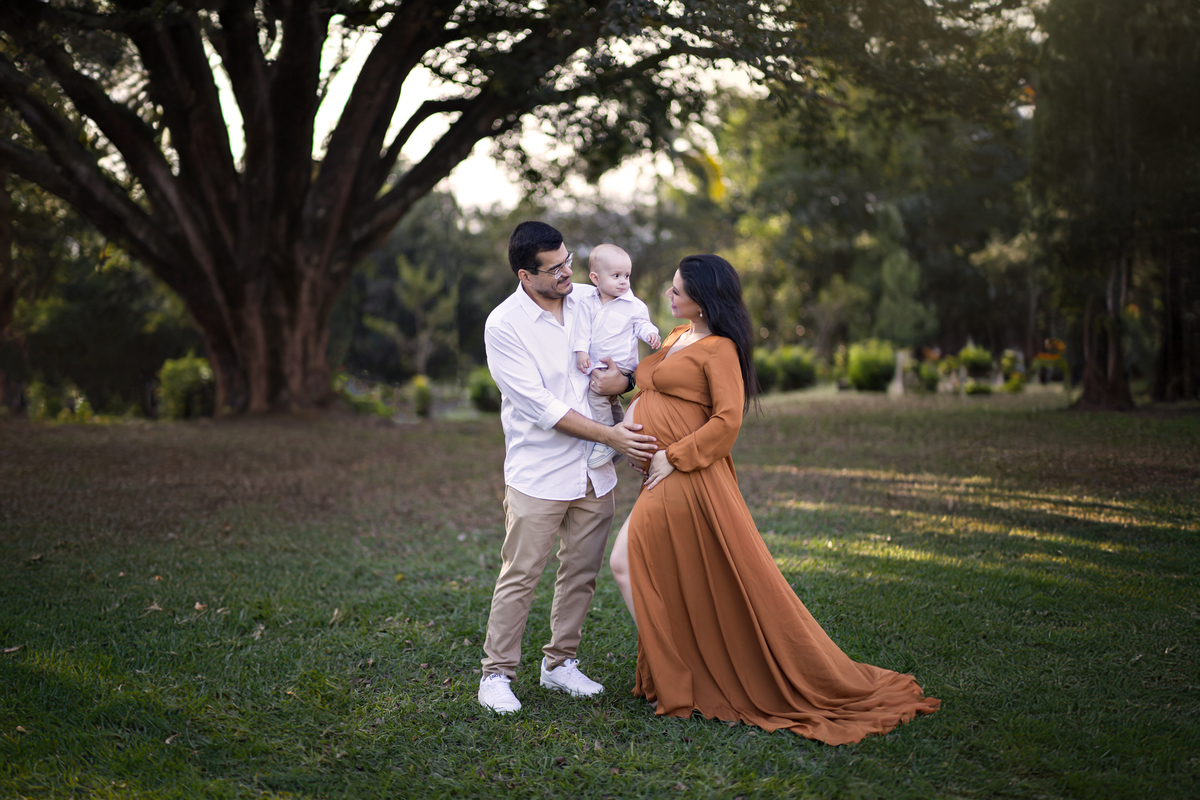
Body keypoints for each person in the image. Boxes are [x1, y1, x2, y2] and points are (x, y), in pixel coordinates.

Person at [608, 254, 940, 745]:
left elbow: (727, 422)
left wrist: (672, 456)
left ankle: (677, 675)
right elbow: (652, 384)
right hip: (663, 472)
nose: (669, 295)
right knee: (677, 573)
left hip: (687, 473)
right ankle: (683, 668)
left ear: (704, 299)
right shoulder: (677, 337)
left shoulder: (720, 349)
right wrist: (625, 391)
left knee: (624, 562)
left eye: (678, 290)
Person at [477, 221, 658, 715]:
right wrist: (610, 435)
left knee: (581, 572)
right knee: (521, 575)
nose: (566, 274)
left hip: (594, 471)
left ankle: (559, 663)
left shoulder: (588, 298)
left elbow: (627, 353)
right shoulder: (504, 325)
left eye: (568, 262)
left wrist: (624, 382)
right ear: (524, 274)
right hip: (540, 471)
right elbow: (540, 406)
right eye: (554, 269)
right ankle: (496, 674)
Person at [573, 244, 662, 469]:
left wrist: (650, 334)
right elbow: (582, 329)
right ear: (595, 278)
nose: (623, 281)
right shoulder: (587, 302)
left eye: (627, 276)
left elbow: (642, 324)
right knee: (610, 400)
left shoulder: (634, 305)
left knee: (596, 396)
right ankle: (624, 432)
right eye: (616, 276)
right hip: (597, 364)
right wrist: (581, 351)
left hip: (622, 365)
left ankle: (607, 440)